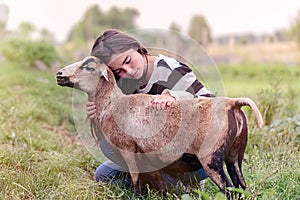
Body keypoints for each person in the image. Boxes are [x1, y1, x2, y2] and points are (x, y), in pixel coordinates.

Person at [87, 29, 214, 190]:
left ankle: (183, 182)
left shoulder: (170, 70)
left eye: (128, 60)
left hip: (189, 157)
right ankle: (161, 182)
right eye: (119, 70)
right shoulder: (122, 83)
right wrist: (101, 113)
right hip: (151, 157)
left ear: (136, 47)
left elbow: (212, 104)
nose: (129, 71)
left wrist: (176, 97)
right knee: (104, 174)